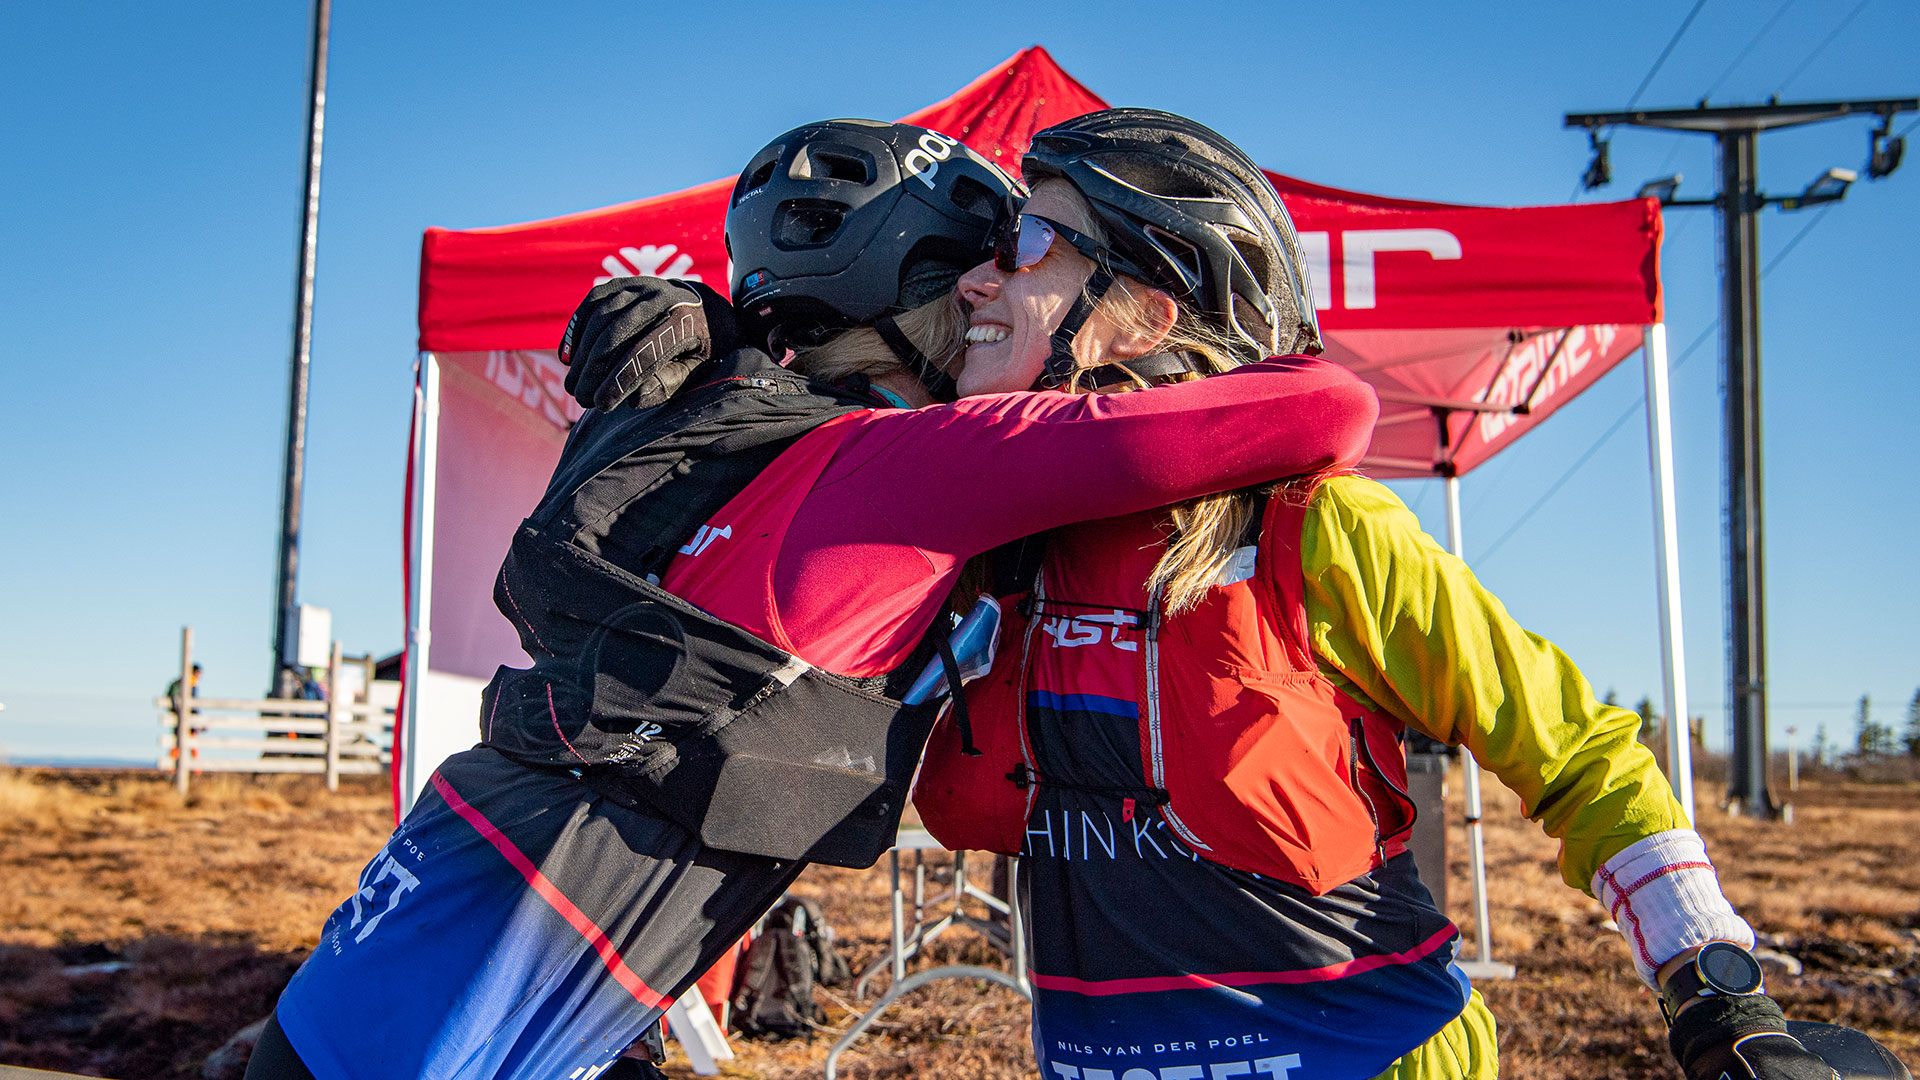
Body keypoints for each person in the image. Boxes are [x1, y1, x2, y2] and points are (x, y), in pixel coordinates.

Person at [244, 118, 1377, 1080]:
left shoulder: (720, 427)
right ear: (899, 287)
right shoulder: (919, 463)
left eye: (1016, 255)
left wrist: (715, 317)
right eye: (971, 265)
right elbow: (1321, 406)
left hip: (409, 947)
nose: (992, 286)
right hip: (457, 1011)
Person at [912, 109, 1848, 1080]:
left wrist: (1720, 991)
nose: (980, 278)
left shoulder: (1313, 527)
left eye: (1026, 244)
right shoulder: (1006, 555)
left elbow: (1575, 750)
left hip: (1374, 1056)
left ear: (1146, 312)